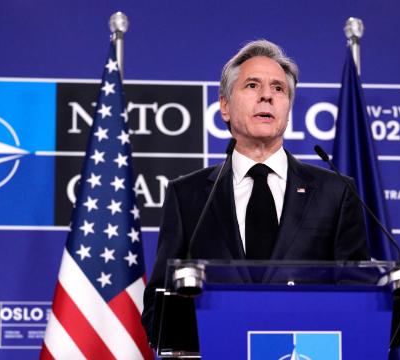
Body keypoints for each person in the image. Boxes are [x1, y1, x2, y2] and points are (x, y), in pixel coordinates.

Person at [141, 39, 369, 347]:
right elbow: (158, 309)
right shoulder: (188, 196)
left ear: (288, 107)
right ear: (224, 106)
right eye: (252, 85)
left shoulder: (335, 192)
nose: (267, 96)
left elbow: (358, 301)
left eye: (279, 89)